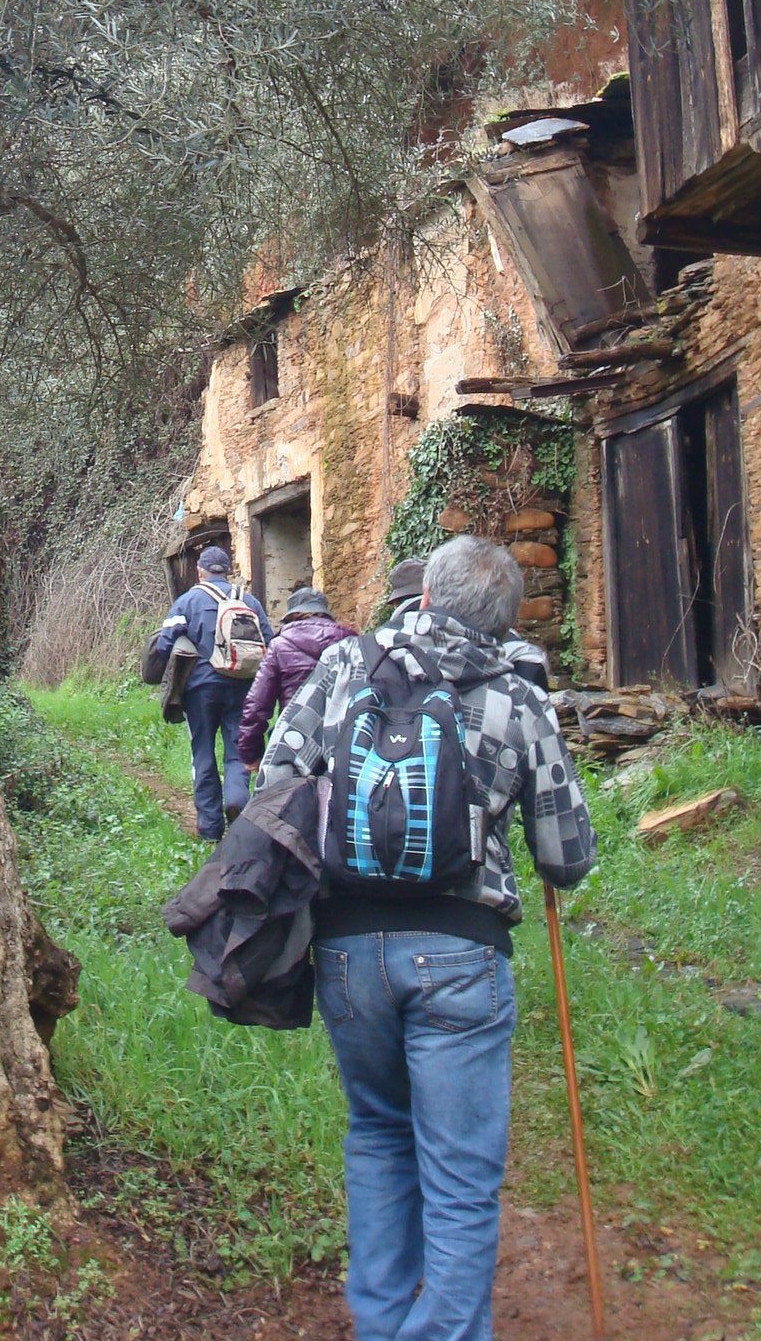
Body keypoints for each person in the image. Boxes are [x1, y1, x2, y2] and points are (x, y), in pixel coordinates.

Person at [258, 536, 596, 1341]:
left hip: (346, 950)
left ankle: (380, 1325)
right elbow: (567, 859)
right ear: (507, 619)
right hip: (460, 953)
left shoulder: (345, 665)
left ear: (427, 595)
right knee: (460, 1173)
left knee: (378, 1134)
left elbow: (275, 781)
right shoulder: (519, 696)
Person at [151, 544, 273, 840]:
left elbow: (165, 642)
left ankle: (209, 827)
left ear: (200, 571)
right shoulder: (249, 601)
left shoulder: (189, 600)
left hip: (201, 690)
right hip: (242, 687)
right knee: (237, 750)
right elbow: (269, 640)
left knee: (202, 752)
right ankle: (236, 802)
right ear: (227, 570)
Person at [237, 585, 353, 775]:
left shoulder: (279, 645)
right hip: (340, 739)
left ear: (292, 615)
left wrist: (250, 753)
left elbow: (257, 704)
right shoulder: (350, 641)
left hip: (293, 740)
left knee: (289, 800)